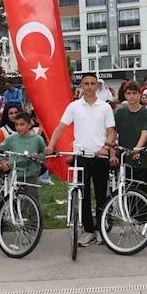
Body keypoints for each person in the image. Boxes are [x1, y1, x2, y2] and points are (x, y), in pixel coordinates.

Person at [46, 72, 116, 247]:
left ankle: (101, 229)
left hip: (100, 156)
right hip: (80, 156)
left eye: (93, 83)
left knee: (101, 195)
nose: (90, 87)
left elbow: (111, 131)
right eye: (86, 83)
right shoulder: (74, 107)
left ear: (97, 86)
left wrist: (106, 148)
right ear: (82, 86)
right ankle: (89, 231)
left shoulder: (105, 107)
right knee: (82, 195)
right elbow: (61, 127)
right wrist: (51, 145)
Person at [0, 111, 47, 202]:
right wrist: (3, 161)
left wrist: (38, 156)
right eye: (16, 124)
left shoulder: (37, 139)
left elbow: (44, 153)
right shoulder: (11, 138)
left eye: (22, 124)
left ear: (29, 125)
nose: (19, 127)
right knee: (16, 200)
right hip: (15, 174)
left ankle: (34, 216)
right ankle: (17, 215)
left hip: (31, 174)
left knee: (33, 199)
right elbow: (0, 150)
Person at [113, 81, 147, 189]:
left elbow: (144, 132)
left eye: (134, 93)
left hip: (142, 158)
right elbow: (112, 134)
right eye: (129, 93)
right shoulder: (119, 114)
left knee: (142, 192)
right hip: (124, 157)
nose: (132, 96)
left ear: (139, 94)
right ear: (125, 95)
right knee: (125, 191)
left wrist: (138, 148)